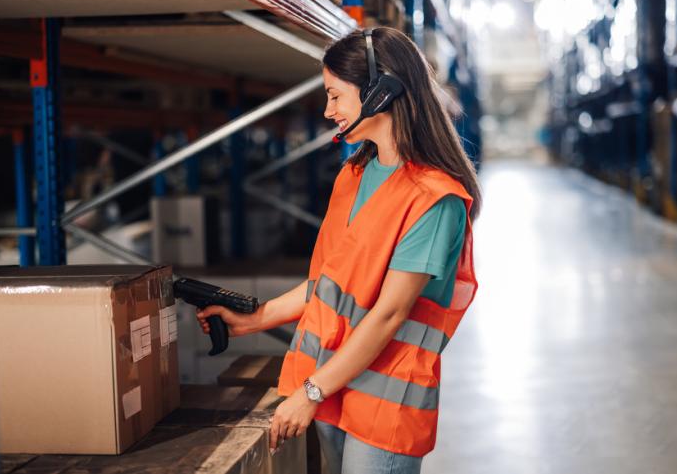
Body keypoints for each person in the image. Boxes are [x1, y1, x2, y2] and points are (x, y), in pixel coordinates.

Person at [196, 26, 481, 474]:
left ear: (381, 92)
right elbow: (330, 283)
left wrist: (310, 391)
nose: (328, 111)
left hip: (384, 401)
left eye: (335, 96)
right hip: (334, 382)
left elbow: (389, 314)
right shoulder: (355, 174)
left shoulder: (434, 199)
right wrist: (255, 319)